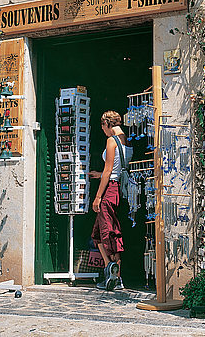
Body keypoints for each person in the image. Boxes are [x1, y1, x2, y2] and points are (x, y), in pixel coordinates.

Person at [88, 110, 133, 291]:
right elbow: (118, 168)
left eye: (103, 127)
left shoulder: (111, 140)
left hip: (109, 189)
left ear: (107, 124)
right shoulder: (125, 139)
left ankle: (117, 277)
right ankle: (110, 268)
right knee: (99, 233)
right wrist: (99, 175)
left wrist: (98, 197)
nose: (103, 131)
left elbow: (109, 171)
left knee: (110, 232)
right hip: (117, 187)